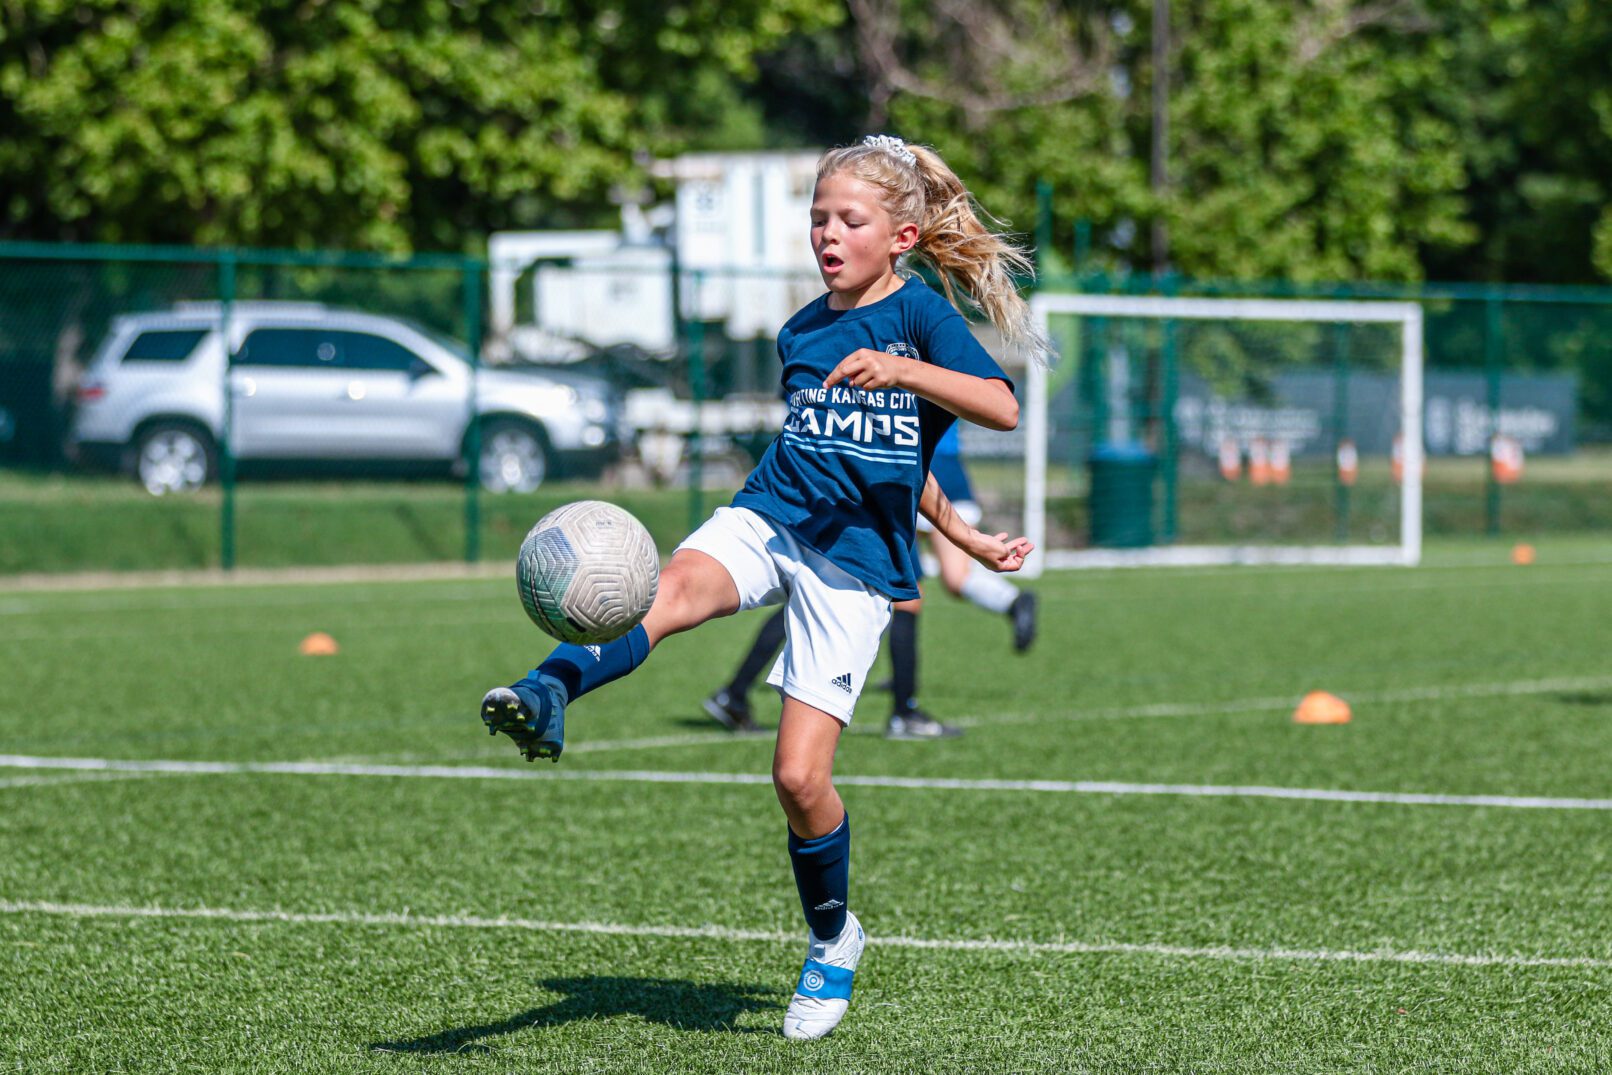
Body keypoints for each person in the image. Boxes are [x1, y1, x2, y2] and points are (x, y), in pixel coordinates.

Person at [479, 133, 1045, 1041]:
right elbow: (850, 445)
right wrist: (963, 527)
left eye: (848, 220)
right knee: (666, 591)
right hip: (772, 513)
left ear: (900, 236)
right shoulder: (802, 327)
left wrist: (963, 529)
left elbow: (999, 406)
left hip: (855, 564)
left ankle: (834, 936)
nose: (827, 233)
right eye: (817, 217)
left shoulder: (919, 317)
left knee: (797, 776)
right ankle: (547, 689)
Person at [705, 422, 1037, 740]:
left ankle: (735, 692)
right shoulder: (898, 372)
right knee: (892, 592)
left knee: (816, 586)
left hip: (864, 469)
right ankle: (903, 712)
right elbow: (998, 408)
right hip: (886, 473)